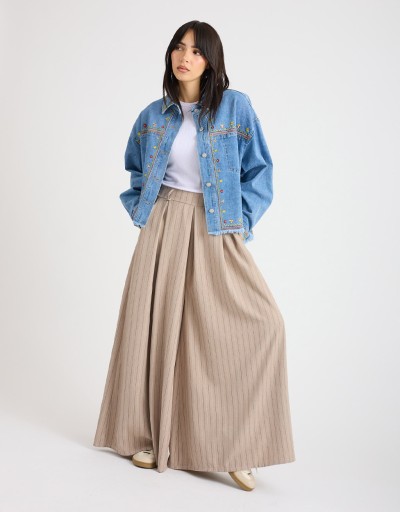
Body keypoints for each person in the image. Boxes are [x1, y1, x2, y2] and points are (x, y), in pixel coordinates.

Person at [93, 20, 296, 492]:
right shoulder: (152, 115)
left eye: (197, 51)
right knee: (154, 328)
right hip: (164, 225)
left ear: (211, 60)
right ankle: (145, 434)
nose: (185, 58)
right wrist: (147, 212)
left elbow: (260, 170)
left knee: (264, 325)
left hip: (215, 224)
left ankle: (238, 446)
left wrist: (239, 222)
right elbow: (135, 169)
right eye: (179, 48)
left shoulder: (234, 107)